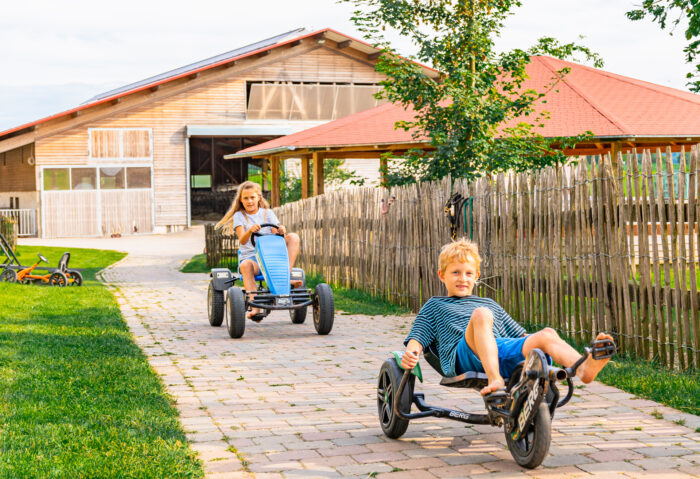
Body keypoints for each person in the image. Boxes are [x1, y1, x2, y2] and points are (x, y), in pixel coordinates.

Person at [401, 238, 614, 396]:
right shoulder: (436, 305)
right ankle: (495, 380)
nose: (462, 279)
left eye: (468, 273)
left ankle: (584, 368)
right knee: (481, 315)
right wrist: (412, 353)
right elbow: (419, 335)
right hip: (465, 355)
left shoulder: (489, 303)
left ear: (476, 276)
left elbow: (520, 334)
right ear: (442, 275)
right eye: (455, 272)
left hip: (499, 349)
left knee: (546, 333)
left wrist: (541, 343)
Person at [215, 181, 301, 319]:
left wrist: (281, 230)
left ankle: (287, 275)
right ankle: (255, 307)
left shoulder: (267, 213)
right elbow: (242, 240)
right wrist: (249, 230)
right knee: (245, 265)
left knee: (293, 237)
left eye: (252, 197)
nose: (249, 201)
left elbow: (277, 233)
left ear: (259, 198)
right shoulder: (240, 216)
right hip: (252, 259)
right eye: (246, 198)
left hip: (272, 258)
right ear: (241, 200)